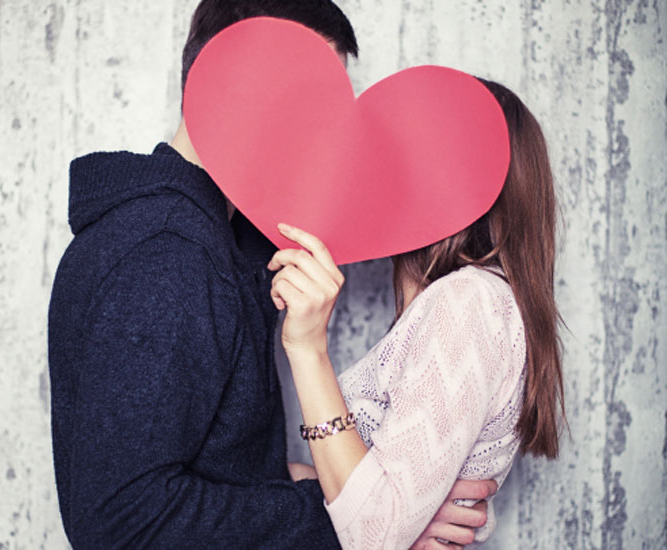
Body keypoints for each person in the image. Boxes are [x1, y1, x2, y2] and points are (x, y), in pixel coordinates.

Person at [48, 1, 496, 548]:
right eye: (309, 99)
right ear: (232, 83)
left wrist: (385, 506)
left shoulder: (214, 243)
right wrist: (349, 522)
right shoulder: (166, 255)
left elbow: (218, 466)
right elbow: (122, 520)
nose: (329, 137)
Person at [268, 78, 565, 549]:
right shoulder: (456, 304)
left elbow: (372, 535)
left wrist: (307, 348)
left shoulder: (467, 303)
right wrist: (405, 514)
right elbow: (369, 509)